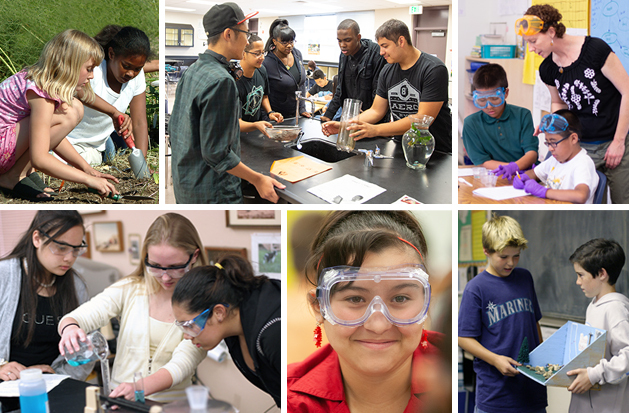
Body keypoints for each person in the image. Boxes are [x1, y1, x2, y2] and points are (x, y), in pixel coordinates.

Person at [287, 211, 444, 412]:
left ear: (427, 301)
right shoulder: (289, 400)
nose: (378, 325)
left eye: (400, 298)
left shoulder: (451, 383)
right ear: (319, 306)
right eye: (355, 299)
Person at [58, 213, 208, 402]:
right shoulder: (129, 289)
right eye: (155, 266)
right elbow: (80, 316)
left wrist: (139, 388)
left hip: (170, 406)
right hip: (122, 401)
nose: (165, 277)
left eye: (175, 267)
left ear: (194, 256)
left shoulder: (203, 304)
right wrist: (70, 328)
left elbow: (184, 362)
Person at [169, 2, 284, 204]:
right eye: (246, 34)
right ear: (229, 34)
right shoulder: (221, 81)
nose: (248, 41)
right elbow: (217, 154)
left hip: (187, 184)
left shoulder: (194, 70)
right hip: (212, 190)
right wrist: (258, 179)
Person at [519, 4, 629, 203]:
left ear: (551, 31)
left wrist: (619, 142)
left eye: (534, 41)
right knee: (584, 202)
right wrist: (552, 125)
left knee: (623, 202)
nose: (532, 49)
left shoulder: (595, 50)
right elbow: (559, 103)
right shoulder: (548, 69)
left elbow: (627, 91)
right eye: (528, 43)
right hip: (581, 145)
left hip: (616, 141)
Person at [0, 29, 120, 201]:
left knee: (74, 108)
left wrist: (86, 168)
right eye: (89, 69)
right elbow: (39, 158)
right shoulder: (41, 93)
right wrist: (88, 180)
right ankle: (13, 177)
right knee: (70, 112)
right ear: (70, 65)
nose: (92, 76)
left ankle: (19, 173)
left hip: (6, 143)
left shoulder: (42, 82)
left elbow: (47, 135)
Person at [458, 214, 547, 413]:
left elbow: (534, 323)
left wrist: (542, 357)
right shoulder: (476, 288)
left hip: (532, 391)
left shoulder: (525, 278)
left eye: (516, 256)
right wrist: (495, 359)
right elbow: (463, 338)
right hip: (496, 396)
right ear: (487, 252)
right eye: (504, 257)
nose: (510, 263)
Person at [322, 19, 452, 153]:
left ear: (401, 41)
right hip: (402, 146)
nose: (381, 52)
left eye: (385, 46)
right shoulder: (387, 70)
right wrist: (345, 125)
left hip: (435, 151)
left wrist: (375, 130)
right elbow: (376, 111)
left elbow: (422, 120)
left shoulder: (433, 69)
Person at [172, 255, 280, 406]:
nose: (187, 336)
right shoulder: (233, 325)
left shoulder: (273, 333)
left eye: (189, 325)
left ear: (219, 313)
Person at [0, 211, 91, 385]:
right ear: (37, 239)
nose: (69, 258)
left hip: (54, 385)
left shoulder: (76, 286)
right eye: (61, 248)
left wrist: (58, 376)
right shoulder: (4, 275)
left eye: (76, 249)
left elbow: (86, 351)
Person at [67, 25, 153, 165]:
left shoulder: (137, 77)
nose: (131, 73)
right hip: (71, 140)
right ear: (112, 54)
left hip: (98, 144)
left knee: (108, 153)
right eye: (126, 66)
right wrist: (113, 112)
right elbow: (79, 91)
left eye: (137, 69)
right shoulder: (93, 69)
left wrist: (141, 164)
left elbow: (139, 123)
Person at [567, 239, 629, 413]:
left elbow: (627, 355)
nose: (578, 282)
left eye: (581, 275)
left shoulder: (616, 309)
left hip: (606, 405)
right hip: (586, 401)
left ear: (602, 274)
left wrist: (594, 375)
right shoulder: (595, 304)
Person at [462, 63, 538, 174]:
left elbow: (532, 153)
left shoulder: (523, 115)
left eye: (494, 99)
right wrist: (510, 168)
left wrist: (516, 168)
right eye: (482, 101)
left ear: (505, 93)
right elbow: (482, 162)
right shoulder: (471, 123)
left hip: (527, 173)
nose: (489, 106)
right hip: (494, 175)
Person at [513, 110, 598, 204]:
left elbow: (581, 195)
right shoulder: (555, 159)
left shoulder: (583, 163)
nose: (550, 148)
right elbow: (534, 173)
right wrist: (524, 177)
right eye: (548, 143)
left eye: (553, 143)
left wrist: (545, 192)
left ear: (573, 138)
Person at [321, 19, 387, 123]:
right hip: (349, 117)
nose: (342, 45)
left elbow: (378, 93)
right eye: (339, 40)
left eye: (347, 40)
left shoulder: (376, 54)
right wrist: (329, 114)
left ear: (358, 37)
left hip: (372, 120)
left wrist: (367, 117)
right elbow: (340, 89)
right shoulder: (344, 55)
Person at [237, 33, 284, 138]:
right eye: (257, 53)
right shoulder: (234, 81)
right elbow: (236, 123)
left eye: (263, 53)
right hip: (239, 135)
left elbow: (264, 96)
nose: (262, 57)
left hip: (256, 131)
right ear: (243, 54)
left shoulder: (261, 70)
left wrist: (270, 112)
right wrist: (255, 125)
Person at [262, 19, 310, 119]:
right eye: (284, 42)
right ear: (274, 41)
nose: (289, 45)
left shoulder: (297, 54)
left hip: (296, 114)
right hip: (277, 117)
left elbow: (301, 85)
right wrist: (269, 115)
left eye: (291, 41)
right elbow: (263, 95)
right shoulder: (266, 62)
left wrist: (302, 109)